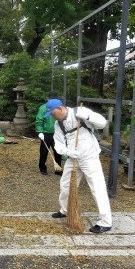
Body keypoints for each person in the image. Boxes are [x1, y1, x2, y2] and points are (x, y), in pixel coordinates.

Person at [45, 99, 112, 234]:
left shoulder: (79, 112)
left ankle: (105, 222)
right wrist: (68, 152)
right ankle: (65, 210)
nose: (52, 116)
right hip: (73, 157)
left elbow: (102, 123)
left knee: (97, 187)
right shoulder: (59, 124)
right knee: (65, 184)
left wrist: (88, 116)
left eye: (52, 113)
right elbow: (58, 144)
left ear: (60, 108)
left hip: (89, 157)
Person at [36, 92, 62, 176]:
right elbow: (39, 120)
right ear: (48, 99)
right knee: (44, 152)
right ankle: (42, 167)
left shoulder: (59, 108)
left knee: (58, 151)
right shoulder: (43, 108)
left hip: (56, 133)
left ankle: (58, 168)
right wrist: (40, 132)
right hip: (46, 133)